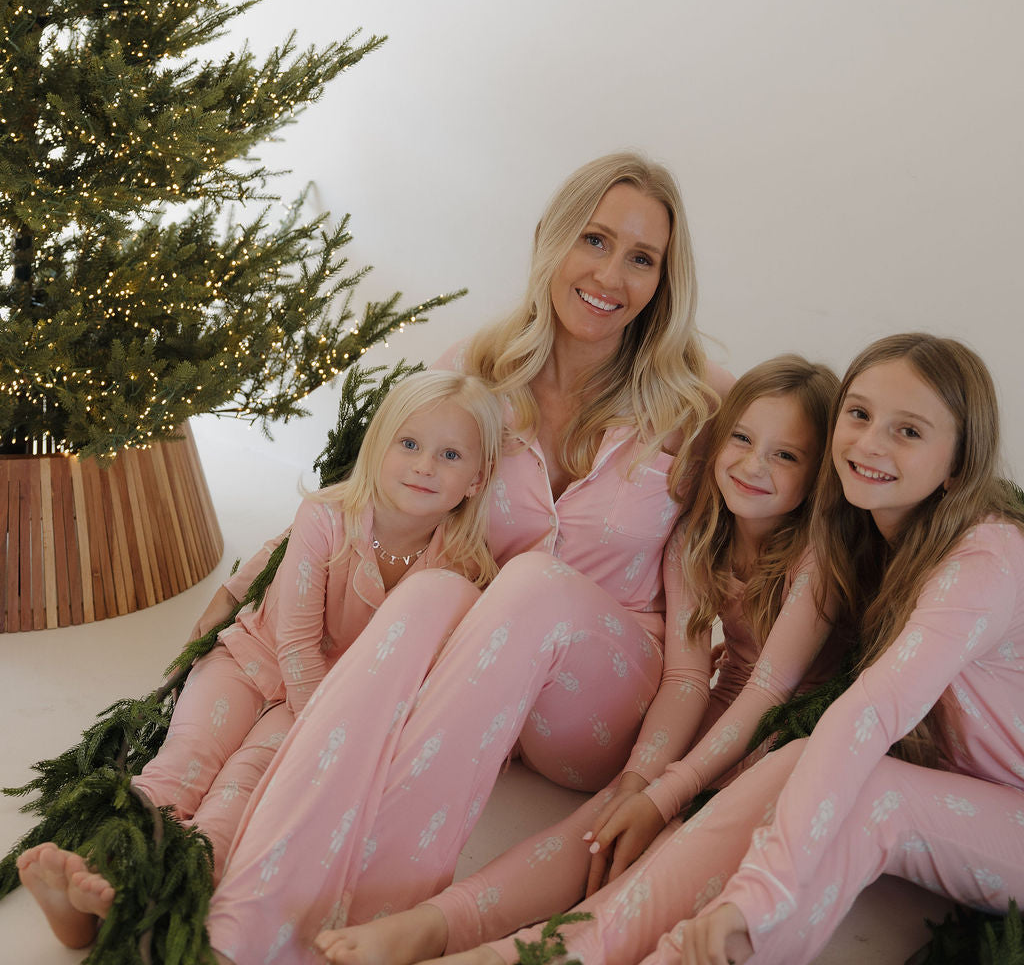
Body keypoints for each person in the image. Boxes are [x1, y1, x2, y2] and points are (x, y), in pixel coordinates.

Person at [196, 150, 729, 963]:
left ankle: (373, 924)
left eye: (642, 258)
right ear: (552, 238)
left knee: (531, 584)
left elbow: (694, 660)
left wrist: (646, 779)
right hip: (481, 680)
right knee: (435, 590)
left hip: (605, 702)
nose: (611, 274)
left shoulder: (696, 408)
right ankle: (249, 925)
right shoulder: (473, 374)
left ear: (665, 279)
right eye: (594, 239)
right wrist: (250, 582)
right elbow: (368, 499)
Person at [394, 332, 1024, 965]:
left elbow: (869, 711)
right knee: (661, 806)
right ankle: (471, 933)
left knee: (850, 786)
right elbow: (697, 674)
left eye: (909, 431)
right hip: (946, 782)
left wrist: (751, 901)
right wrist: (651, 784)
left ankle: (611, 949)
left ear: (960, 463)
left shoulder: (986, 557)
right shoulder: (871, 532)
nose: (870, 442)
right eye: (859, 414)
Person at [313, 353, 844, 965]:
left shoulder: (818, 560)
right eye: (744, 440)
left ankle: (486, 950)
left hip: (785, 731)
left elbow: (769, 694)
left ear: (818, 473)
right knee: (602, 824)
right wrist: (640, 782)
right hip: (718, 709)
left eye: (786, 454)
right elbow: (688, 675)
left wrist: (667, 793)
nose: (754, 465)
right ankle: (432, 924)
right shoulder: (702, 538)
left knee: (661, 854)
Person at [16, 368, 504, 948]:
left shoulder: (463, 569)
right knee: (187, 759)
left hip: (322, 699)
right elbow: (295, 639)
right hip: (255, 658)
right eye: (409, 444)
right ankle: (97, 877)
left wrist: (320, 728)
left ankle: (173, 901)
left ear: (478, 479)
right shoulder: (326, 517)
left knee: (242, 791)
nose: (425, 465)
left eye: (450, 454)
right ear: (379, 446)